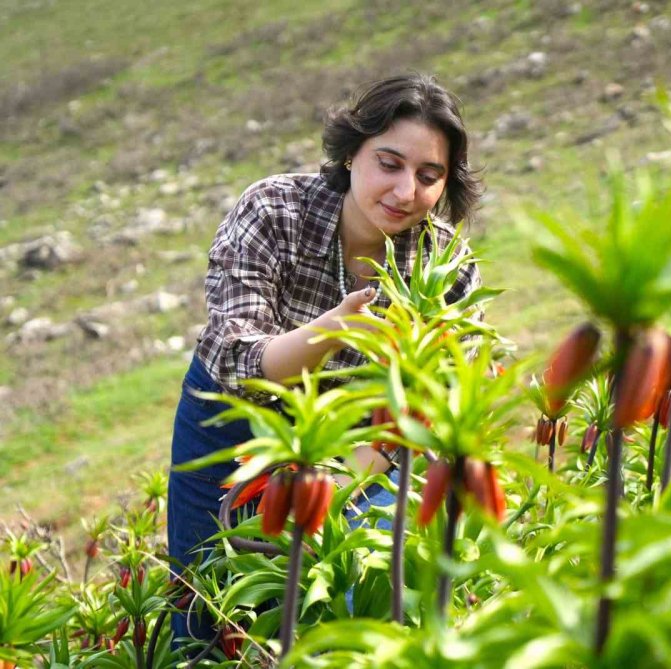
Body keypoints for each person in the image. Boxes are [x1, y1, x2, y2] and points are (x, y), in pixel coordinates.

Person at [167, 72, 483, 645]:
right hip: (233, 417)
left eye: (428, 176)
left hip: (366, 444)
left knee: (345, 595)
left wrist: (337, 484)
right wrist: (333, 330)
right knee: (204, 608)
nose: (406, 191)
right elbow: (239, 354)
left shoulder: (447, 265)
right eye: (389, 163)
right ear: (351, 153)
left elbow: (446, 397)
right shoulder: (273, 210)